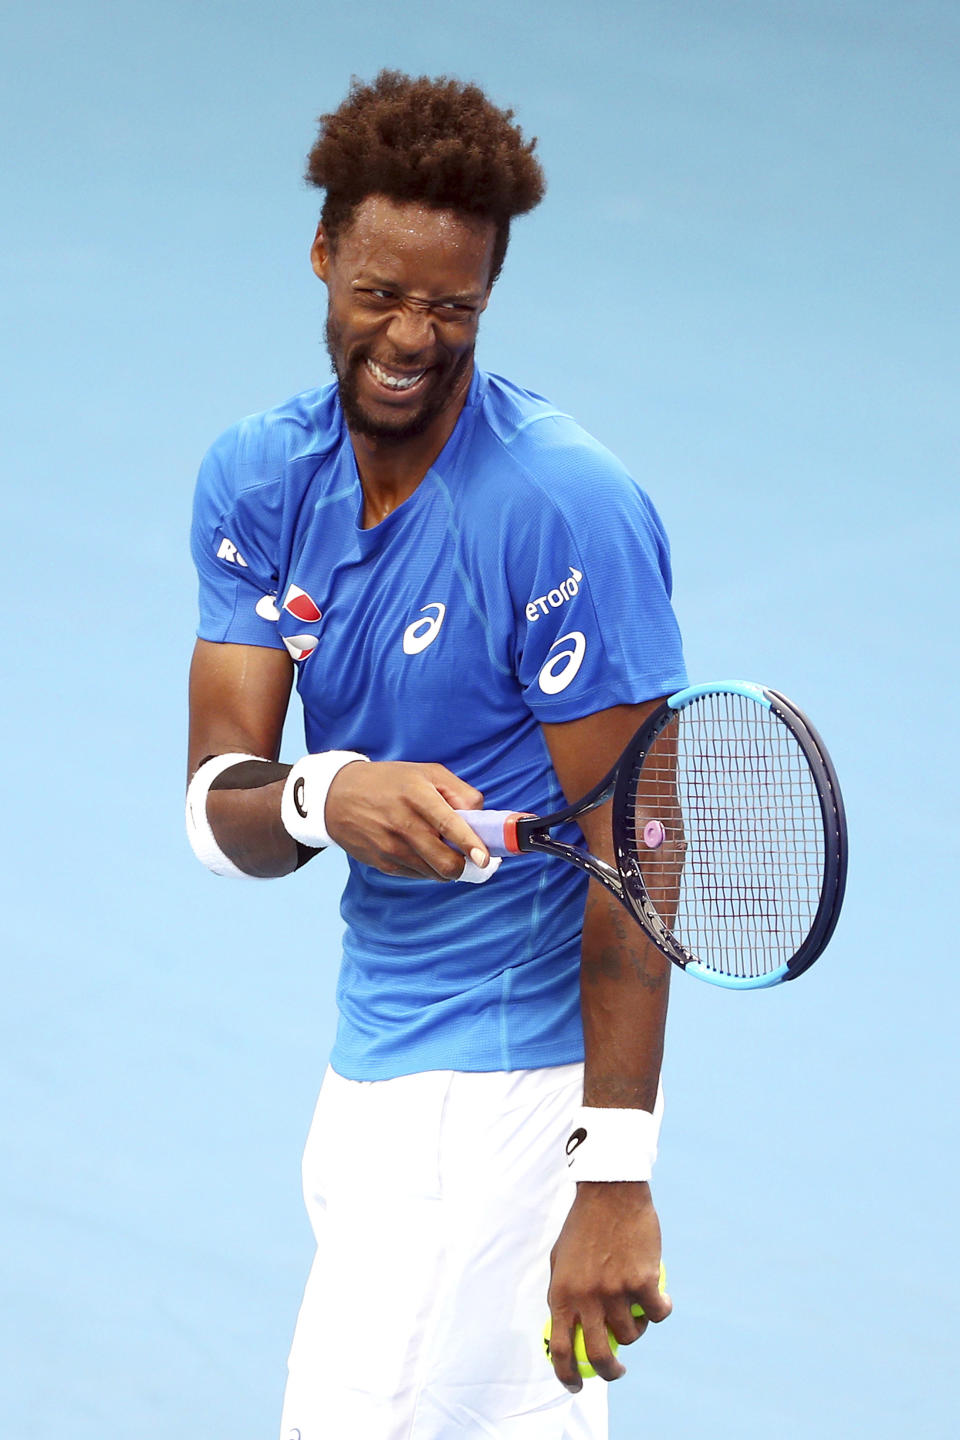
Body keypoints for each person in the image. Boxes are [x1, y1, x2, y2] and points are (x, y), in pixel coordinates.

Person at [186, 71, 687, 1440]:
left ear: (490, 292)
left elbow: (638, 836)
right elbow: (219, 810)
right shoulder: (259, 478)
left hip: (498, 1102)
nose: (412, 335)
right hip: (375, 1069)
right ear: (324, 256)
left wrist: (610, 1175)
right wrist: (321, 788)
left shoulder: (559, 506)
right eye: (380, 294)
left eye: (452, 307)